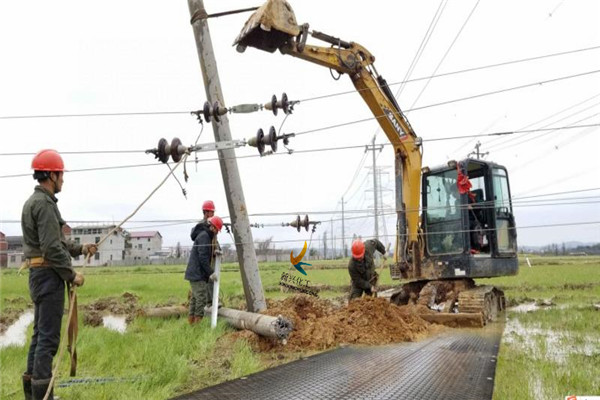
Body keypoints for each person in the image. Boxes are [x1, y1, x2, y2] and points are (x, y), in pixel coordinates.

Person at [21, 149, 97, 400]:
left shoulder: (36, 202)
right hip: (48, 276)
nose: (63, 179)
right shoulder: (43, 204)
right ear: (51, 175)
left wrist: (81, 248)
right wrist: (71, 275)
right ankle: (44, 395)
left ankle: (32, 393)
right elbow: (52, 248)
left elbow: (57, 243)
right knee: (49, 338)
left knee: (39, 335)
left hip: (39, 274)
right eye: (61, 174)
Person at [185, 215, 223, 324]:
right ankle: (197, 325)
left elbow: (206, 254)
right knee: (201, 298)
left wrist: (215, 251)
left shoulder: (206, 236)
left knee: (194, 299)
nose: (217, 232)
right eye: (217, 230)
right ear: (213, 227)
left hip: (196, 272)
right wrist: (211, 273)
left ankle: (191, 323)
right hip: (197, 273)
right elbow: (203, 257)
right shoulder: (204, 237)